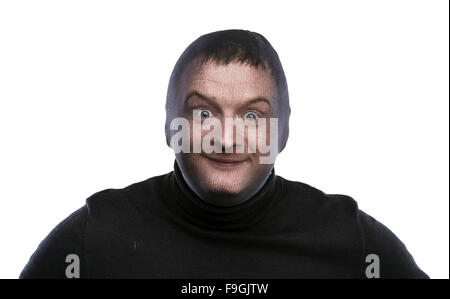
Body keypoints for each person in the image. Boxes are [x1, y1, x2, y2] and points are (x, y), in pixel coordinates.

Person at [20, 29, 428, 279]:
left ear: (283, 130)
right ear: (169, 125)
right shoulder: (93, 237)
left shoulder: (352, 242)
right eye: (203, 112)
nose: (227, 139)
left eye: (252, 115)